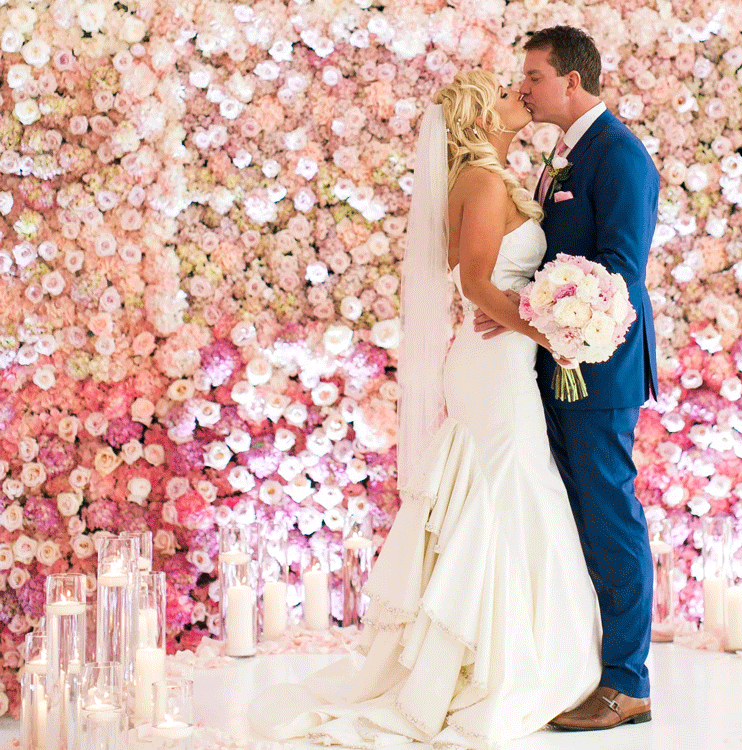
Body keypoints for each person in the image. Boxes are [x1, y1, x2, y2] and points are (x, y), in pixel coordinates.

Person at [249, 70, 601, 748]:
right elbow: (474, 283)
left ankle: (508, 643)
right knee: (508, 487)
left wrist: (542, 317)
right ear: (478, 120)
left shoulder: (498, 176)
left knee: (516, 485)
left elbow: (494, 279)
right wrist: (547, 331)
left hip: (499, 361)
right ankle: (492, 661)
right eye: (504, 94)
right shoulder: (480, 181)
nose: (516, 95)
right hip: (490, 364)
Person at [477, 26, 660, 731]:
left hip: (600, 367)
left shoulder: (620, 157)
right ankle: (584, 665)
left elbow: (620, 273)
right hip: (559, 358)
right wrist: (519, 307)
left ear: (572, 83)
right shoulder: (564, 150)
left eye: (533, 75)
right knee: (576, 513)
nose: (523, 86)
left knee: (611, 517)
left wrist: (534, 312)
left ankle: (627, 682)